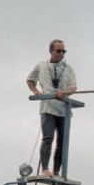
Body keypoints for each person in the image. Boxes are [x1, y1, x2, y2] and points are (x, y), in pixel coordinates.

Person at [27, 39, 77, 177]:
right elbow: (30, 79)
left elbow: (73, 86)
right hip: (48, 108)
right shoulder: (42, 66)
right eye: (58, 51)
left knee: (62, 142)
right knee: (48, 138)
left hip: (63, 110)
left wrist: (65, 92)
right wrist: (36, 92)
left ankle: (56, 172)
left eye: (63, 51)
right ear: (51, 51)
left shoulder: (69, 68)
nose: (61, 54)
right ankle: (45, 168)